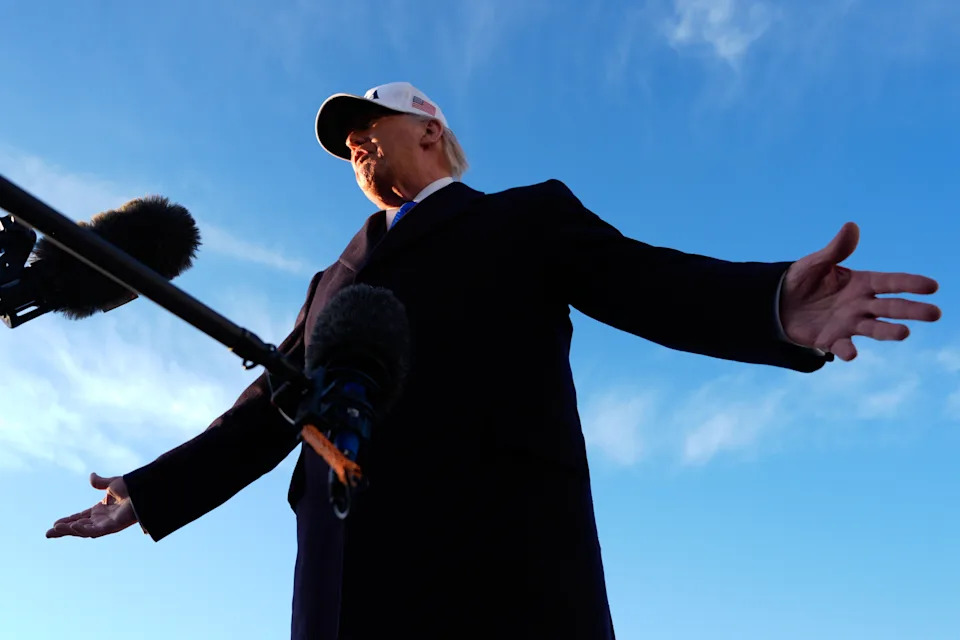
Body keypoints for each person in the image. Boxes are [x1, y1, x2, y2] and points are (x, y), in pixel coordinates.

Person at [47, 82, 942, 639]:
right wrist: (150, 490)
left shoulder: (523, 219)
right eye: (347, 141)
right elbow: (267, 408)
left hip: (497, 572)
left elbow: (648, 282)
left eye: (369, 124)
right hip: (343, 583)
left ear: (429, 131)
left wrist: (772, 304)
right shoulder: (331, 280)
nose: (356, 143)